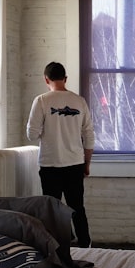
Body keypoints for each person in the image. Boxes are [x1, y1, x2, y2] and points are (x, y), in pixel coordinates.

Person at [26, 61, 95, 248]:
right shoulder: (79, 101)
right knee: (77, 207)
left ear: (46, 79)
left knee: (52, 209)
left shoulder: (41, 101)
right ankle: (84, 243)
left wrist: (48, 129)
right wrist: (86, 164)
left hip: (50, 164)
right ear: (65, 79)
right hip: (75, 163)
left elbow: (31, 134)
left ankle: (57, 246)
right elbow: (89, 135)